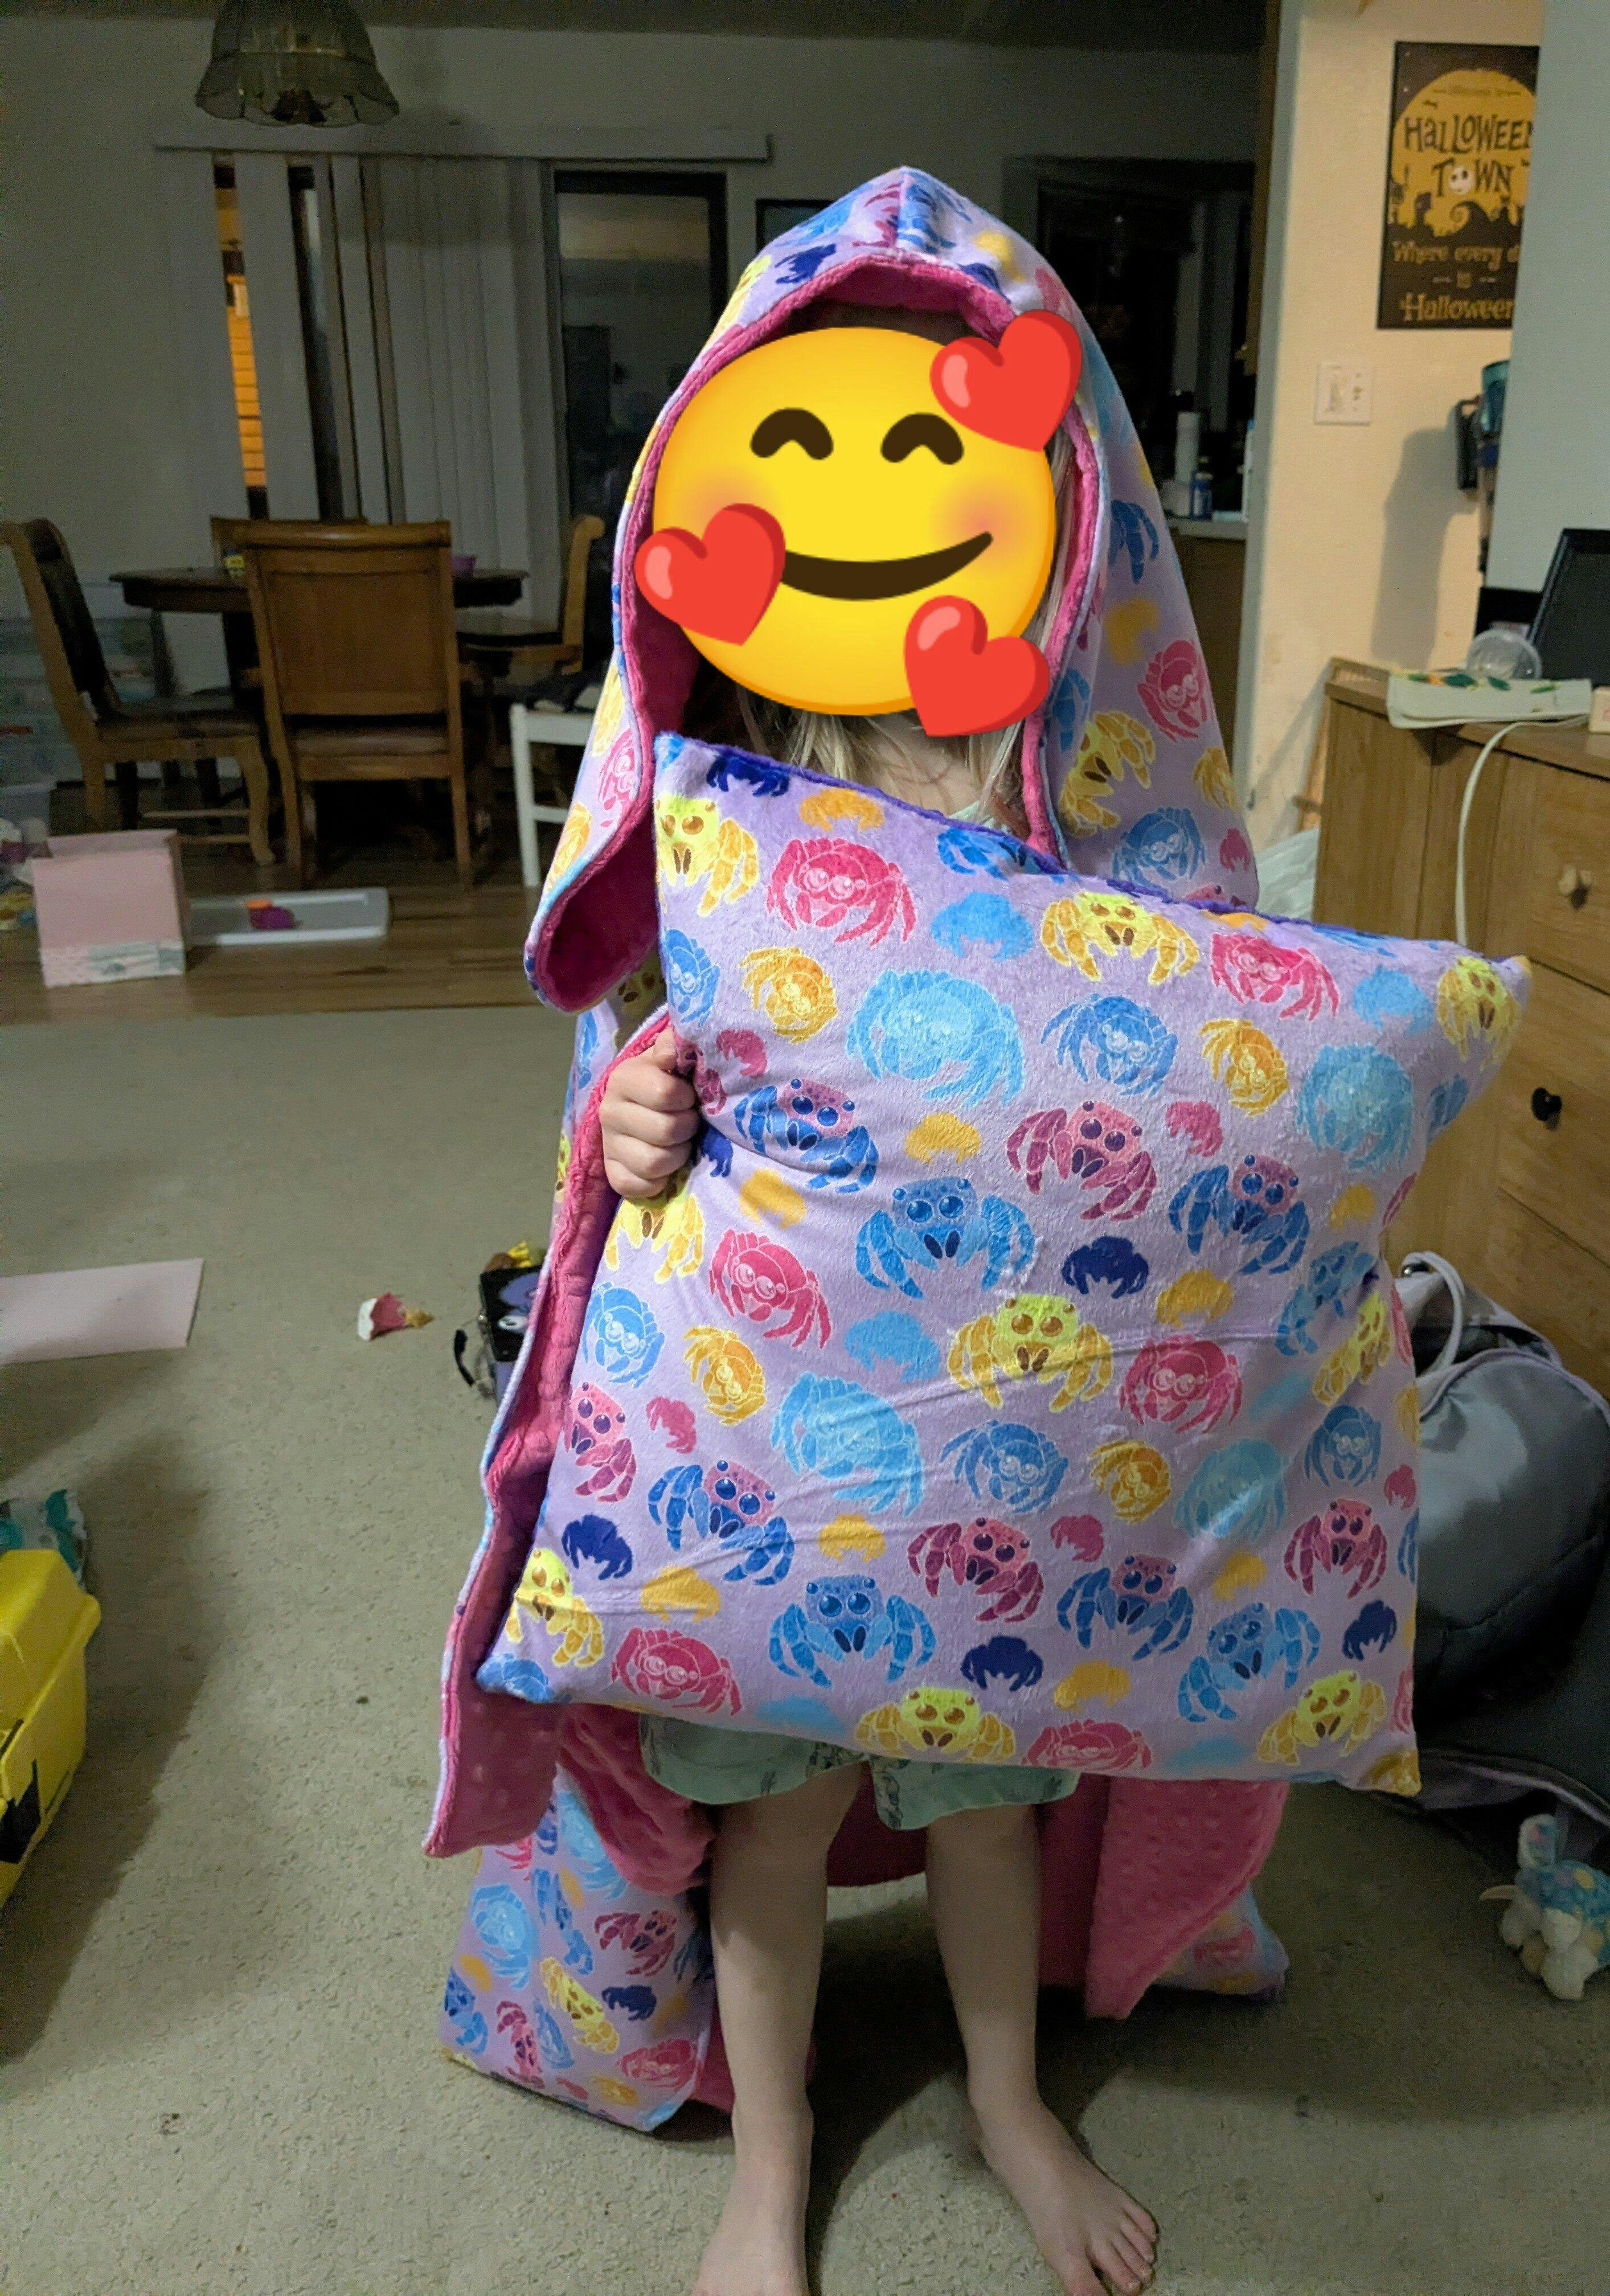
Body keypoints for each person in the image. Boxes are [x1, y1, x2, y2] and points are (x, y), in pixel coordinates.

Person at [596, 308, 1158, 2296]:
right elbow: (643, 1041)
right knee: (772, 1810)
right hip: (772, 1411)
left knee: (987, 1809)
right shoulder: (721, 789)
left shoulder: (1059, 793)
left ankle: (1008, 2102)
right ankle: (775, 2160)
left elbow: (1162, 1030)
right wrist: (636, 1108)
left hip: (989, 1402)